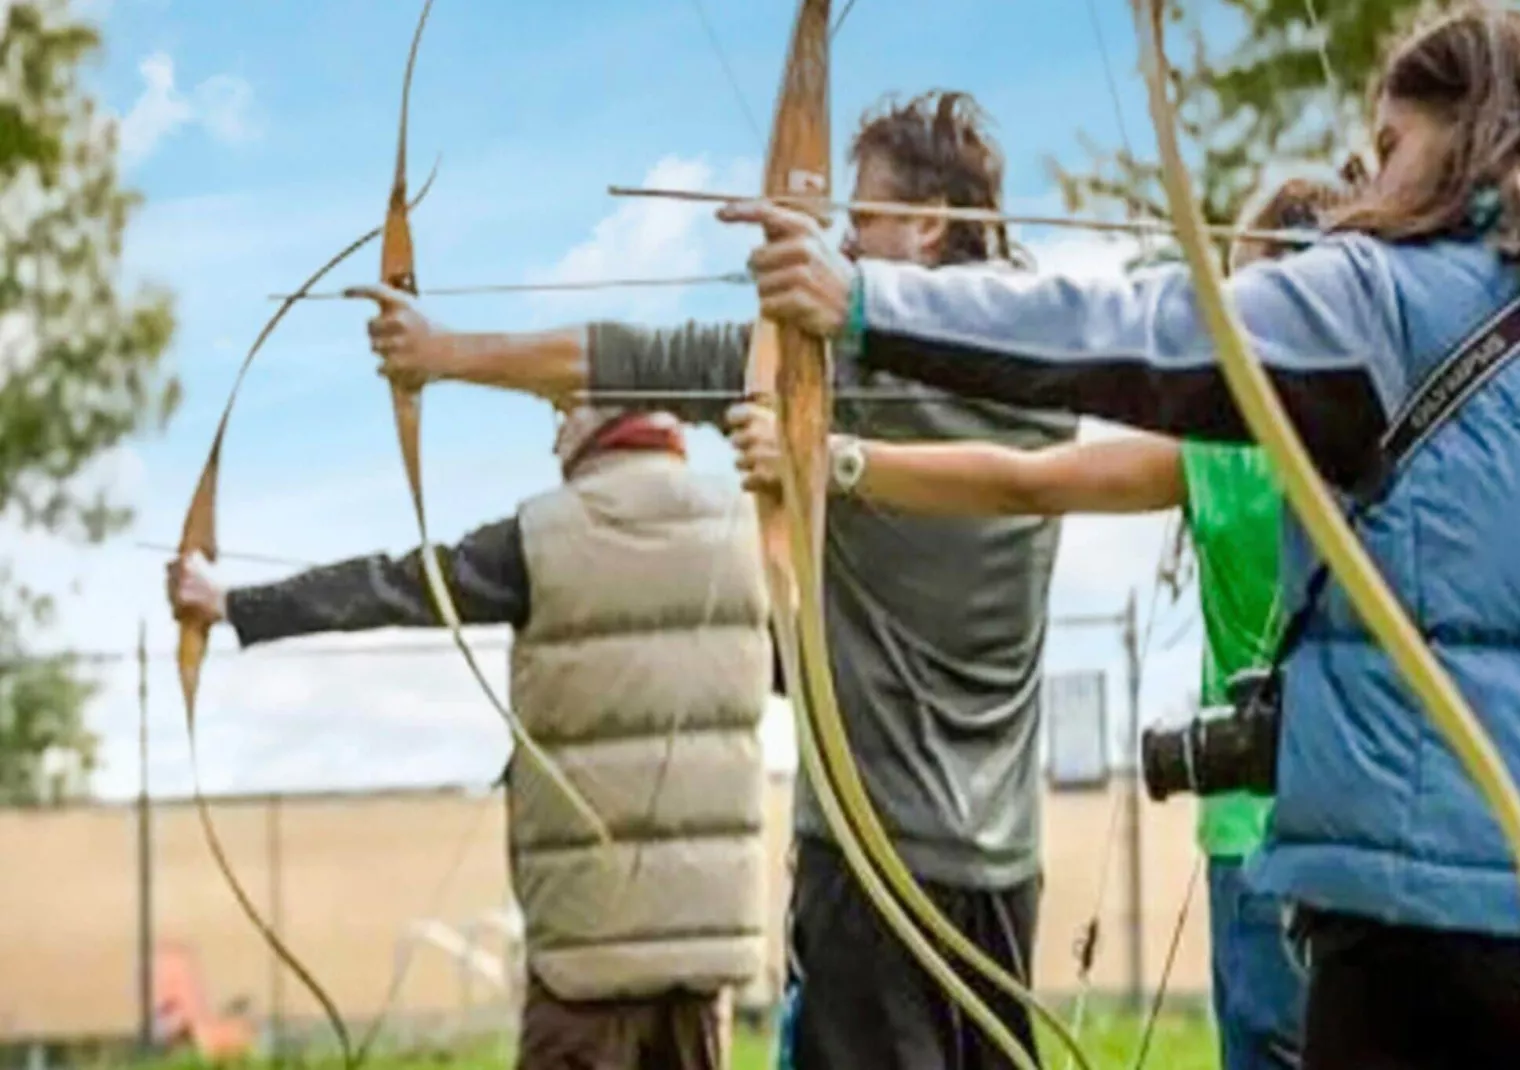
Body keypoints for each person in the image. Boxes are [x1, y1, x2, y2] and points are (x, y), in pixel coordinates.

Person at [720, 6, 1520, 1068]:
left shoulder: (1379, 294)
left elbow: (1134, 327)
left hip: (1415, 906)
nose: (1370, 183)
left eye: (1390, 149)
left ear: (1462, 140)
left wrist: (861, 300)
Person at [353, 90, 1080, 1070]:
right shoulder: (1053, 373)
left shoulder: (841, 376)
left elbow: (628, 357)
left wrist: (441, 352)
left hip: (869, 867)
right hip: (1003, 862)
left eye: (857, 224)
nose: (842, 249)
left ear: (929, 223)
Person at [728, 176, 1337, 1070]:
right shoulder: (1406, 433)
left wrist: (835, 459)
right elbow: (1027, 477)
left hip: (1257, 837)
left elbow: (1029, 482)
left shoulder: (1226, 449)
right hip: (1385, 839)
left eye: (1245, 287)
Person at [166, 406, 771, 1070]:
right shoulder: (748, 535)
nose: (555, 433)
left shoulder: (546, 537)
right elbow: (811, 679)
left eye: (565, 411)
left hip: (586, 954)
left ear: (605, 414)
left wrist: (230, 602)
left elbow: (393, 587)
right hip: (705, 959)